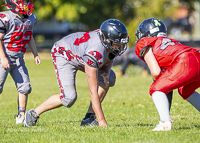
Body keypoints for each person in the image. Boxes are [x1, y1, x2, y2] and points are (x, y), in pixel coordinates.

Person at [24, 19, 129, 127]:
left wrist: (106, 73)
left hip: (80, 53)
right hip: (64, 54)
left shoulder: (107, 41)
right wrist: (101, 120)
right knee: (68, 98)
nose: (120, 46)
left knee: (109, 78)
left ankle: (89, 118)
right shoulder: (94, 51)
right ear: (106, 39)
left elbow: (109, 55)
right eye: (117, 42)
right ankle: (33, 113)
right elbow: (93, 91)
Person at [135, 18, 200, 131]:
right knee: (185, 90)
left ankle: (165, 123)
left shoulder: (144, 42)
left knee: (156, 88)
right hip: (197, 56)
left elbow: (156, 72)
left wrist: (159, 85)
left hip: (186, 61)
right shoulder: (170, 41)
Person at [0, 0, 41, 124]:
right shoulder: (6, 17)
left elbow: (28, 36)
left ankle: (21, 115)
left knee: (25, 87)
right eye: (24, 1)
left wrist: (35, 53)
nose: (27, 4)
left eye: (28, 1)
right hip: (3, 58)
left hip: (18, 59)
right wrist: (3, 58)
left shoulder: (30, 18)